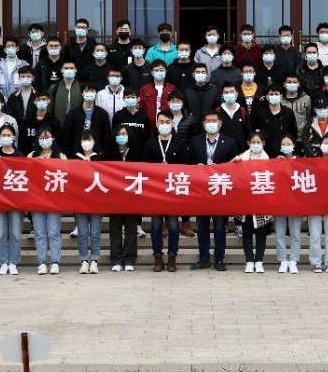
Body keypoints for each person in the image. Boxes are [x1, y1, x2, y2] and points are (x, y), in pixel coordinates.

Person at [189, 112, 238, 271]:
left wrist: (223, 168)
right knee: (202, 227)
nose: (211, 123)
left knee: (219, 227)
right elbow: (188, 162)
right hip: (201, 191)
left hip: (220, 191)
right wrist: (196, 166)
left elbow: (235, 167)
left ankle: (219, 259)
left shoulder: (230, 142)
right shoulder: (196, 141)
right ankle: (203, 258)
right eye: (208, 121)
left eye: (214, 120)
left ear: (220, 123)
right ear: (204, 124)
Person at [144, 112, 185, 272]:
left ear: (173, 124)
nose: (164, 125)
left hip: (173, 192)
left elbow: (186, 167)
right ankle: (158, 258)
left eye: (168, 122)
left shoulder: (179, 143)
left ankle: (172, 257)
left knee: (173, 226)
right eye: (161, 122)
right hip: (155, 193)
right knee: (156, 226)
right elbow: (144, 168)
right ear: (156, 124)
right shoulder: (150, 144)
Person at [102, 124, 141, 272]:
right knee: (115, 229)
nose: (121, 136)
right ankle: (116, 258)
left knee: (131, 228)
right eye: (119, 134)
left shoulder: (136, 151)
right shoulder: (109, 151)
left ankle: (129, 258)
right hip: (115, 196)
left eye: (124, 134)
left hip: (132, 195)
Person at [233, 132, 273, 273]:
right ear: (248, 143)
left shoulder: (268, 161)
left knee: (261, 234)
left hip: (262, 203)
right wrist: (234, 163)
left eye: (258, 142)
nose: (256, 144)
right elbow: (231, 175)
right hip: (245, 203)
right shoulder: (241, 158)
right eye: (253, 142)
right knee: (247, 233)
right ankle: (249, 260)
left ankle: (259, 261)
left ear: (263, 143)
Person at [306, 113, 328, 274]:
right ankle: (316, 262)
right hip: (314, 201)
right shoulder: (312, 162)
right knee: (314, 234)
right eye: (324, 143)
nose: (327, 145)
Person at [29, 128, 66, 275]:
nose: (45, 140)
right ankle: (42, 262)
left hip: (54, 201)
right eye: (41, 137)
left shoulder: (61, 156)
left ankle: (55, 261)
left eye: (47, 137)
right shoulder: (32, 155)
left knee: (53, 232)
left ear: (53, 138)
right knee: (40, 233)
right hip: (37, 200)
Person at [0, 127, 25, 275]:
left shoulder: (20, 156)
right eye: (3, 135)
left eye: (8, 135)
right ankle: (3, 262)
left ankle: (13, 262)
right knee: (0, 233)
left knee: (15, 233)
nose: (6, 137)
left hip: (16, 201)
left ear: (14, 137)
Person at [72, 132, 103, 273]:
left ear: (94, 141)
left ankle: (94, 260)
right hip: (79, 201)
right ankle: (84, 261)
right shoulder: (74, 158)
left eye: (89, 139)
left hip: (96, 202)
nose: (87, 142)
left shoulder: (100, 157)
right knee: (83, 232)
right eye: (84, 139)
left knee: (95, 232)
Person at [273, 135, 304, 274]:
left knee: (295, 233)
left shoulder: (300, 162)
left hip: (295, 203)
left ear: (293, 145)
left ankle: (293, 260)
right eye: (283, 144)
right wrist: (277, 163)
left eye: (288, 143)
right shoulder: (276, 161)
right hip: (280, 202)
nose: (286, 146)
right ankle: (282, 260)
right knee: (279, 233)